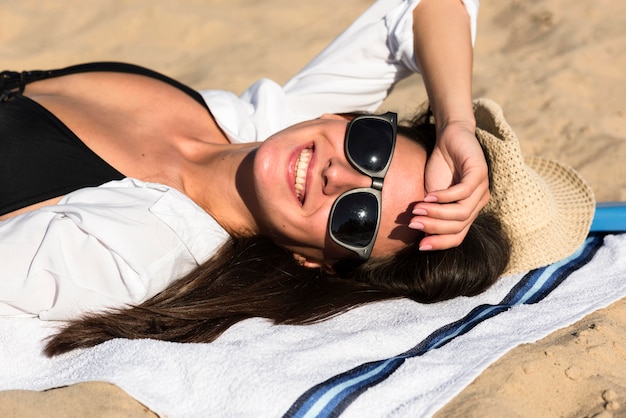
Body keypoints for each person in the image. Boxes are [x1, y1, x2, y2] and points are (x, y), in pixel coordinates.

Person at [0, 0, 594, 355]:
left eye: (356, 216)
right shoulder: (262, 125)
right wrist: (456, 125)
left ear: (316, 261)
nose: (339, 175)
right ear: (350, 119)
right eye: (371, 147)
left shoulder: (134, 247)